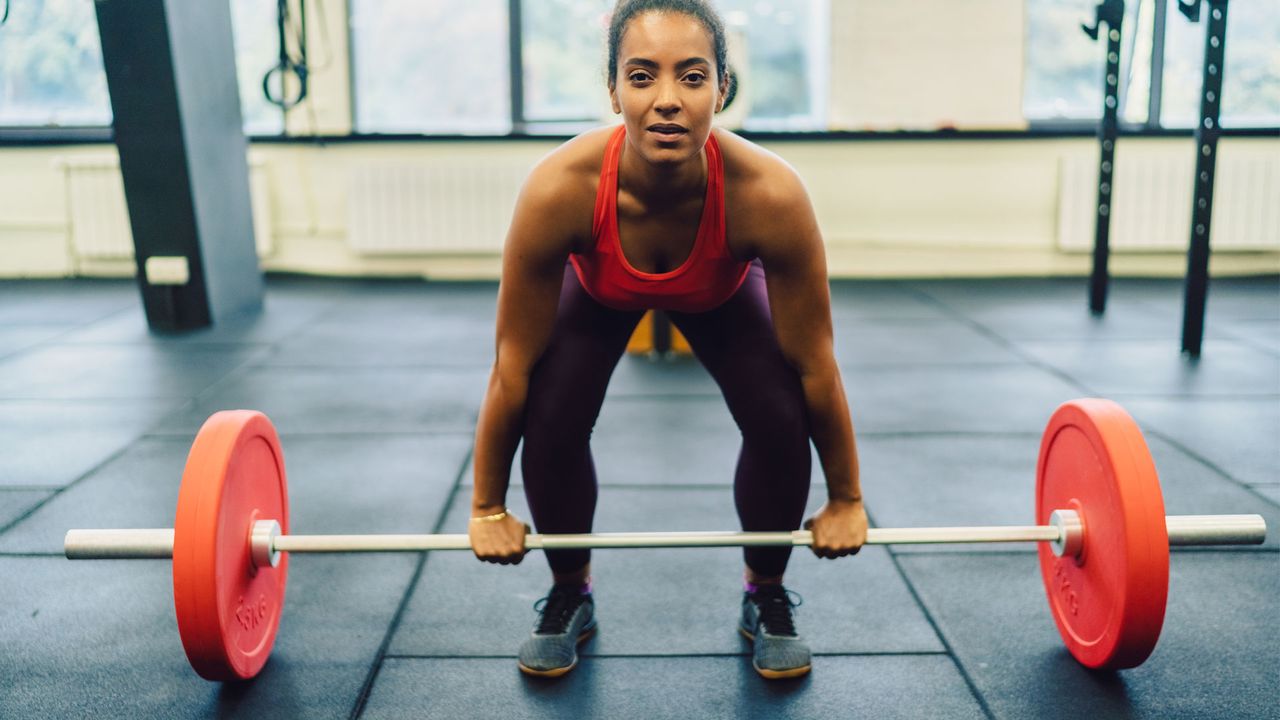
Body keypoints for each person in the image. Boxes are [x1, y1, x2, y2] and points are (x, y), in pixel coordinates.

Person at [468, 0, 868, 680]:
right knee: (552, 414)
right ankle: (571, 593)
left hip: (717, 289)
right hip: (600, 289)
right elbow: (512, 367)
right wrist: (487, 506)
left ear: (722, 88)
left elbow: (816, 366)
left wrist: (847, 498)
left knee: (779, 416)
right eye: (642, 75)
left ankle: (764, 593)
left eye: (691, 76)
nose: (667, 101)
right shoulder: (558, 190)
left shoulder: (770, 194)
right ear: (614, 89)